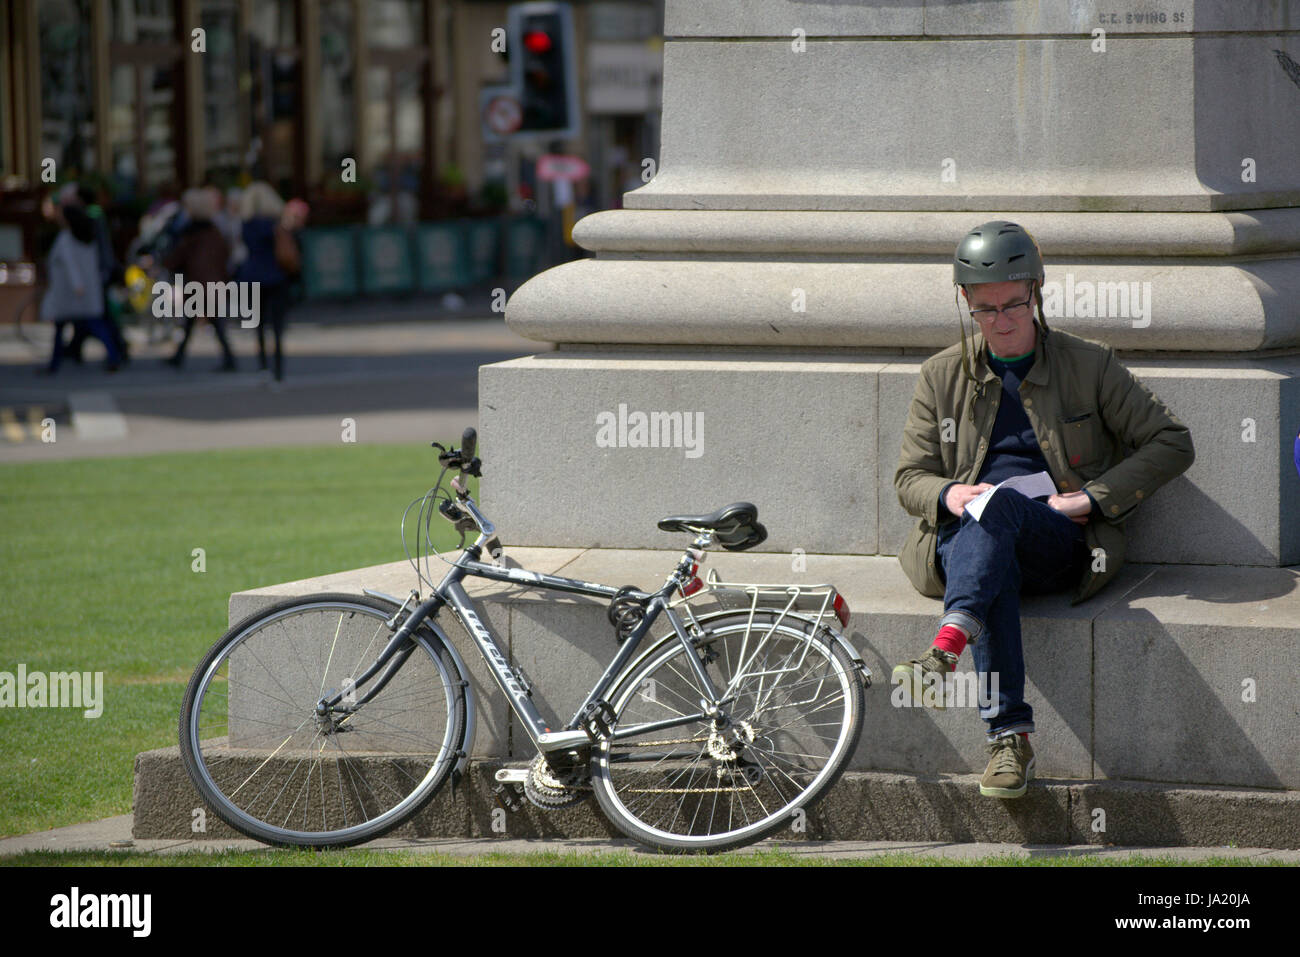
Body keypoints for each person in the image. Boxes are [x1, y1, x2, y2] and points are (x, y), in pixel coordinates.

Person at [891, 220, 1195, 799]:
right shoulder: (939, 375)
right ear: (965, 302)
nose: (1002, 321)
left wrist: (1091, 497)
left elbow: (1172, 441)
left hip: (1055, 540)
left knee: (998, 517)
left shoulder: (1090, 364)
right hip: (971, 542)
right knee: (986, 534)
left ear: (1037, 290)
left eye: (1014, 304)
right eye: (985, 309)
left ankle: (948, 649)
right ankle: (1011, 743)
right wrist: (949, 494)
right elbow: (909, 477)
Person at [39, 191, 123, 374]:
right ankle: (112, 356)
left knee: (64, 329)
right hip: (86, 291)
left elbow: (70, 265)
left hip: (70, 292)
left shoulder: (66, 239)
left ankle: (55, 364)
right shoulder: (86, 237)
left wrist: (77, 285)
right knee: (94, 325)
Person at [163, 188, 236, 371]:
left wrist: (167, 263)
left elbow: (179, 256)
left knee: (207, 322)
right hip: (211, 281)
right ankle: (181, 356)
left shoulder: (192, 231)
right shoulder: (212, 230)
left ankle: (228, 359)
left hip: (199, 282)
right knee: (204, 322)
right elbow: (224, 255)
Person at [235, 182, 293, 382]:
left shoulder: (246, 224)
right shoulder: (276, 224)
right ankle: (278, 369)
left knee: (258, 325)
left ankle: (263, 367)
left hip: (252, 276)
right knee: (277, 327)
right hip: (276, 276)